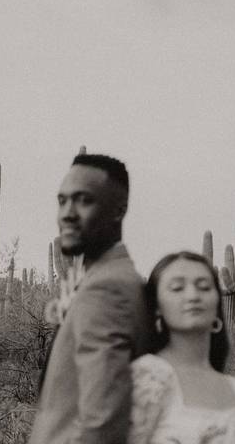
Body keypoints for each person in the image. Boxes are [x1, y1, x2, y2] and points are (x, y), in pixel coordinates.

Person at [29, 154, 153, 444]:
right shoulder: (111, 277)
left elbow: (103, 421)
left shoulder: (107, 289)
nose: (67, 213)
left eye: (83, 200)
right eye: (62, 201)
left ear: (119, 210)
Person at [129, 252, 235, 444]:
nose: (193, 296)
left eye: (204, 287)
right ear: (156, 307)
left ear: (217, 302)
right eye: (177, 288)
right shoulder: (146, 377)